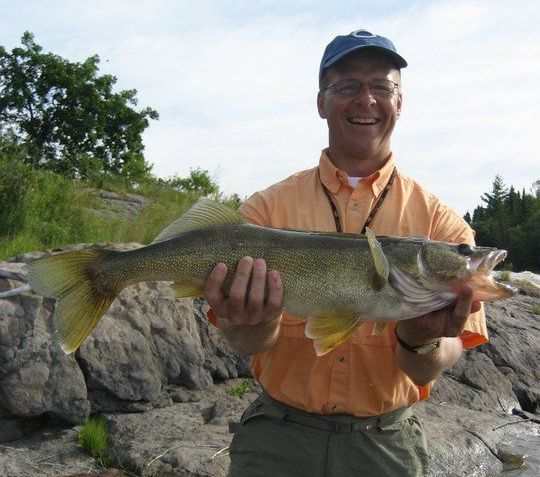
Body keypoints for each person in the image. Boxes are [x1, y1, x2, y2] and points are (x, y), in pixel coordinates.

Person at [204, 29, 488, 477]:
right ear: (321, 102)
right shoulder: (262, 212)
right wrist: (251, 324)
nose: (366, 100)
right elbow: (246, 344)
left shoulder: (443, 226)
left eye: (382, 87)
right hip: (276, 439)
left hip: (386, 446)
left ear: (401, 101)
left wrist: (421, 340)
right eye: (348, 86)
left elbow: (434, 363)